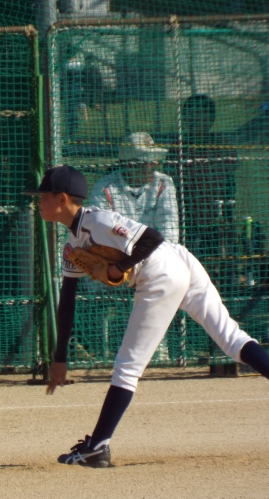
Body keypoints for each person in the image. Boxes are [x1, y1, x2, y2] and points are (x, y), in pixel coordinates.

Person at [24, 165, 269, 468]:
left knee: (127, 367)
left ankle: (98, 447)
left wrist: (119, 267)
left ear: (62, 199)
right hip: (179, 261)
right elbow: (67, 300)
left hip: (160, 270)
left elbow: (153, 238)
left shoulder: (98, 220)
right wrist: (60, 358)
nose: (38, 201)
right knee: (230, 336)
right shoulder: (72, 245)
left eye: (43, 196)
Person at [89, 132, 179, 361]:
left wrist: (144, 261)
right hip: (114, 262)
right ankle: (107, 354)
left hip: (151, 262)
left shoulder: (163, 183)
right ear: (130, 164)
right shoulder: (105, 187)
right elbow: (103, 235)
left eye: (154, 161)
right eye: (147, 161)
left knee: (160, 277)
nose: (153, 166)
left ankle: (158, 355)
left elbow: (169, 231)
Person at [167, 95, 237, 262]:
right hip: (188, 219)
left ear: (211, 119)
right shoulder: (178, 148)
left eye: (200, 115)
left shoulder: (221, 145)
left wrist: (227, 213)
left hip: (217, 216)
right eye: (190, 115)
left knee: (220, 259)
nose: (194, 120)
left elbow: (230, 182)